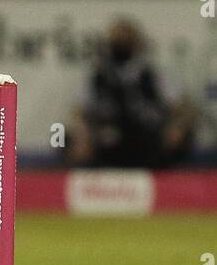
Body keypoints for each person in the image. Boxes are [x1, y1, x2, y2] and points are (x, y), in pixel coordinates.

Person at [65, 19, 195, 169]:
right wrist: (82, 132)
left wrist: (177, 126)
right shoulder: (97, 77)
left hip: (147, 140)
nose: (119, 44)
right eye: (115, 40)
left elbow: (184, 107)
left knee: (182, 136)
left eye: (124, 39)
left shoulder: (153, 74)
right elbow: (78, 110)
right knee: (64, 137)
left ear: (137, 42)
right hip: (109, 139)